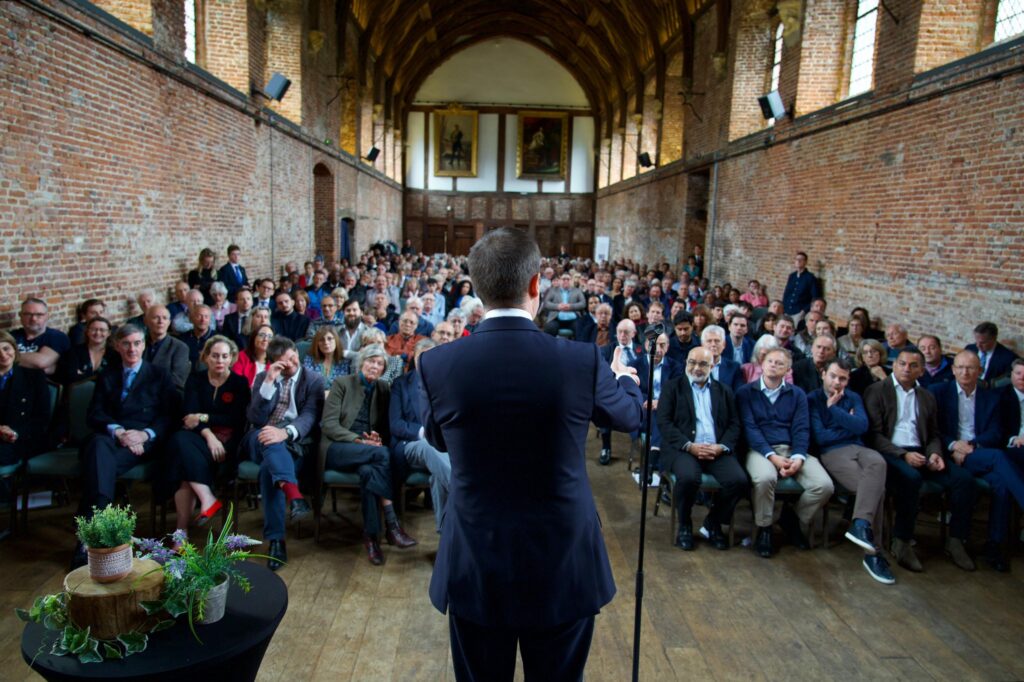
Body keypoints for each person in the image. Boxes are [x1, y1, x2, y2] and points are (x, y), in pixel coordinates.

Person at [417, 228, 641, 681]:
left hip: (477, 560)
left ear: (477, 289)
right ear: (536, 284)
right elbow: (630, 417)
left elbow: (438, 440)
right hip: (562, 561)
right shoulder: (581, 360)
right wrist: (624, 377)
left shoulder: (438, 363)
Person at [73, 324, 179, 567]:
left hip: (143, 443)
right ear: (117, 346)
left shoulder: (158, 374)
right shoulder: (108, 374)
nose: (132, 348)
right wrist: (118, 431)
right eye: (127, 343)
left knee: (98, 468)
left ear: (144, 345)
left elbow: (169, 415)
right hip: (112, 438)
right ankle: (100, 532)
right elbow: (95, 413)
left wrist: (144, 434)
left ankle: (87, 538)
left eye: (137, 343)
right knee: (98, 447)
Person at [863, 350, 977, 572]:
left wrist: (935, 452)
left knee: (964, 479)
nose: (907, 369)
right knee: (911, 478)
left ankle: (956, 540)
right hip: (892, 453)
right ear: (894, 365)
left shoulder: (926, 396)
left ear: (921, 371)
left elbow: (934, 433)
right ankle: (901, 541)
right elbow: (873, 435)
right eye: (902, 364)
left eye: (913, 365)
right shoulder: (877, 391)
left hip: (922, 452)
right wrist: (902, 454)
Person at [320, 344, 417, 565]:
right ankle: (392, 524)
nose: (375, 366)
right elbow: (329, 426)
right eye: (371, 361)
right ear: (362, 361)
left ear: (384, 368)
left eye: (380, 363)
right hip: (337, 447)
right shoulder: (342, 383)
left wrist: (375, 438)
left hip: (366, 452)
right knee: (382, 456)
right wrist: (358, 440)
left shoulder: (383, 388)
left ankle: (372, 538)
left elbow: (385, 426)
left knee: (369, 473)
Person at [735, 347, 834, 558]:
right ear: (762, 364)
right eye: (770, 361)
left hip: (791, 449)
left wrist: (798, 457)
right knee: (764, 478)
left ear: (787, 369)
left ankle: (793, 518)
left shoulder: (797, 394)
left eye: (780, 363)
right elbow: (750, 429)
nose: (774, 366)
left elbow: (801, 428)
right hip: (760, 450)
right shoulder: (746, 392)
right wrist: (772, 456)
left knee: (824, 485)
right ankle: (764, 527)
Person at [930, 351, 1023, 572]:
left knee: (1001, 483)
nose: (965, 372)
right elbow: (932, 429)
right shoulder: (938, 393)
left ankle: (995, 545)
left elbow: (995, 432)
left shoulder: (990, 397)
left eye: (971, 368)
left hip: (975, 453)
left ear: (979, 371)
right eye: (960, 367)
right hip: (949, 456)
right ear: (953, 370)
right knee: (999, 459)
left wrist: (970, 446)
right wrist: (953, 445)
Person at [807, 358, 894, 584]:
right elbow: (821, 437)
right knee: (876, 491)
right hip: (832, 452)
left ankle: (861, 525)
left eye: (843, 378)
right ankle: (874, 555)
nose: (837, 382)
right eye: (833, 376)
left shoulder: (854, 396)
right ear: (823, 374)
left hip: (859, 448)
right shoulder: (813, 399)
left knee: (878, 462)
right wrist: (839, 414)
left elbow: (862, 427)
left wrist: (834, 415)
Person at [242, 336, 325, 570]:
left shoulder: (314, 381)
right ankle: (295, 498)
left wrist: (285, 433)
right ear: (273, 363)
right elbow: (256, 418)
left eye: (293, 357)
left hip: (293, 443)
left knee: (270, 472)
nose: (291, 364)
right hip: (259, 438)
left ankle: (276, 541)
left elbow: (309, 417)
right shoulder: (263, 378)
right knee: (267, 437)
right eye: (283, 362)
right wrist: (269, 381)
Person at [657, 346, 746, 551]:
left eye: (703, 364)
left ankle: (713, 523)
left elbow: (734, 424)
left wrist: (721, 447)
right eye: (692, 362)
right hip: (683, 449)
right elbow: (664, 423)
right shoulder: (673, 387)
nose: (696, 368)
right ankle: (685, 525)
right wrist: (689, 446)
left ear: (713, 365)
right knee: (688, 478)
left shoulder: (724, 391)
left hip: (715, 450)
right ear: (686, 363)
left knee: (738, 481)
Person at [167, 336, 250, 540]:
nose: (219, 360)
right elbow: (188, 416)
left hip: (229, 444)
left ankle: (181, 531)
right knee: (180, 438)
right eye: (215, 356)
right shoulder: (196, 379)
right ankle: (206, 498)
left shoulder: (239, 383)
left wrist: (203, 417)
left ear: (232, 358)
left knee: (183, 470)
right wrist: (209, 434)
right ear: (206, 358)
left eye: (224, 356)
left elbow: (236, 419)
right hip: (200, 439)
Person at [389, 339, 451, 534]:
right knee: (429, 446)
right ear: (414, 359)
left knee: (437, 478)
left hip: (441, 447)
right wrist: (426, 433)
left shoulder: (445, 386)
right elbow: (396, 424)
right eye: (420, 356)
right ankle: (465, 492)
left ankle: (446, 539)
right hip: (410, 444)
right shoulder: (401, 384)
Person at [0, 330, 51, 468]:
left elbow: (42, 418)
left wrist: (14, 433)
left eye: (6, 348)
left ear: (14, 349)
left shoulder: (34, 376)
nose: (3, 355)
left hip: (22, 439)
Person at [598, 319, 644, 465]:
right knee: (603, 406)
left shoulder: (641, 350)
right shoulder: (606, 350)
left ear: (634, 333)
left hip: (637, 390)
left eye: (626, 332)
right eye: (620, 332)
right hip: (614, 391)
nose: (623, 335)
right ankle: (606, 447)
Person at [12, 298, 70, 377]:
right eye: (28, 314)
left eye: (39, 315)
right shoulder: (12, 336)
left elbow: (41, 363)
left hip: (44, 385)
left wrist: (6, 359)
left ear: (47, 316)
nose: (33, 319)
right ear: (20, 316)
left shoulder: (57, 337)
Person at [140, 305, 190, 393]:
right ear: (146, 321)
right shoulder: (139, 344)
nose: (161, 322)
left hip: (165, 396)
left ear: (169, 322)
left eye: (165, 318)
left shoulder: (179, 347)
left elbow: (177, 380)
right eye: (156, 318)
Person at [59, 316, 115, 385]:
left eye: (102, 330)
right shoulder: (74, 352)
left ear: (109, 333)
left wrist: (82, 375)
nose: (97, 333)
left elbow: (115, 379)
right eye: (94, 329)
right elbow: (70, 378)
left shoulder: (114, 354)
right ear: (87, 331)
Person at [782, 251, 820, 324]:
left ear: (805, 262)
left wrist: (804, 311)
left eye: (801, 259)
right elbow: (786, 293)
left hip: (799, 312)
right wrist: (783, 307)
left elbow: (815, 298)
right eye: (797, 259)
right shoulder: (792, 276)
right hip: (787, 310)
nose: (798, 261)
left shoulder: (810, 278)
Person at [701, 325, 743, 391]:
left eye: (717, 341)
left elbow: (739, 393)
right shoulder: (695, 366)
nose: (713, 344)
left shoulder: (734, 367)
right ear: (702, 345)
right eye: (709, 341)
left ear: (724, 344)